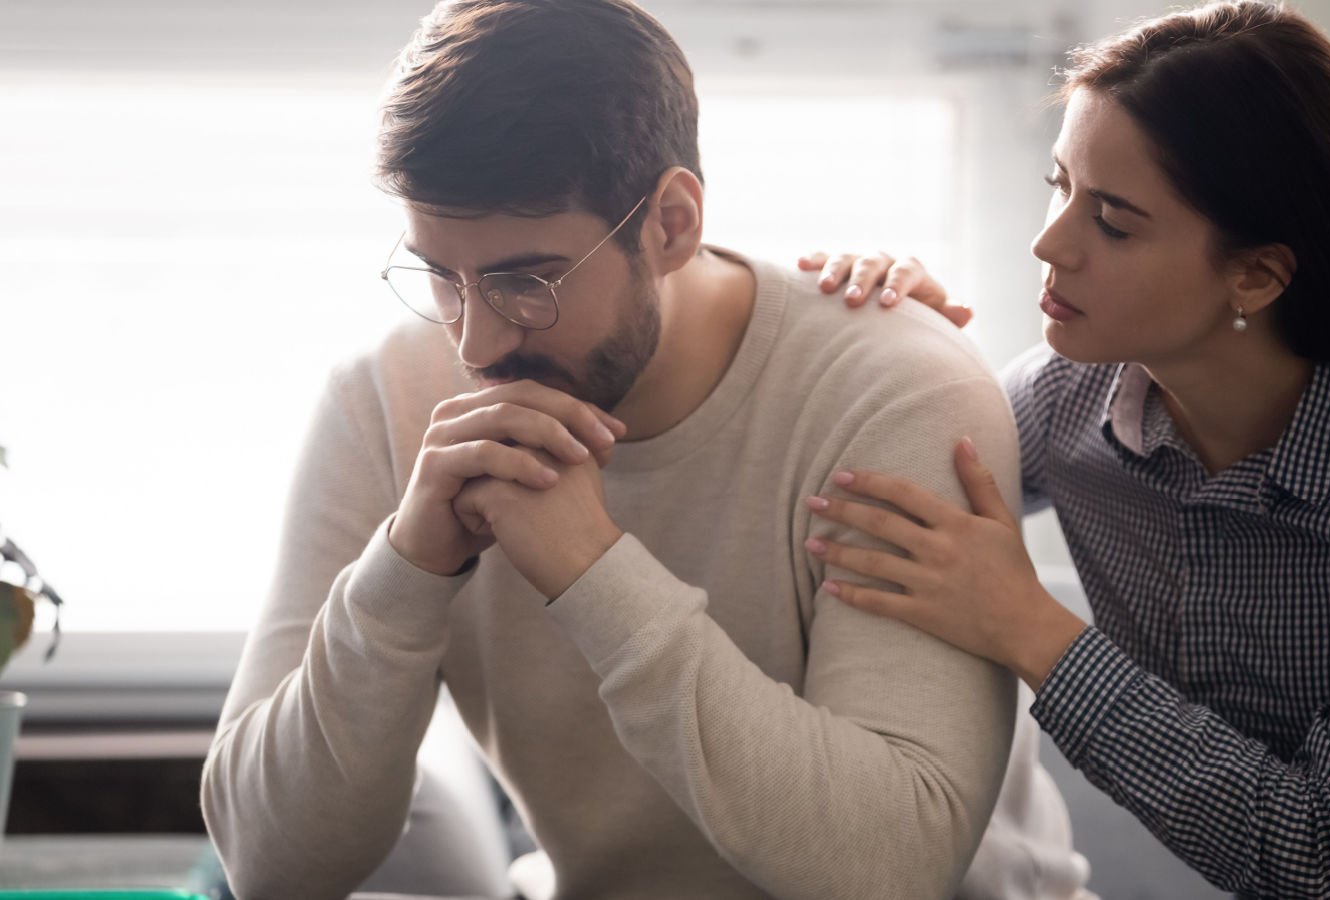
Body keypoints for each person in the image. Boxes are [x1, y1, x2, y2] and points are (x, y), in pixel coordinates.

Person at [198, 1, 1087, 898]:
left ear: (670, 222)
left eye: (525, 280)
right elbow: (269, 865)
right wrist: (406, 572)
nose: (474, 346)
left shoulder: (897, 393)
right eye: (440, 275)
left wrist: (595, 574)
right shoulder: (384, 400)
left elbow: (889, 868)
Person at [801, 2, 1330, 897]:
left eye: (1112, 220)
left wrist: (1026, 622)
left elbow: (1328, 856)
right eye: (1059, 184)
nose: (1048, 241)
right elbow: (872, 484)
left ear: (1255, 272)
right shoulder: (1068, 398)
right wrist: (902, 342)